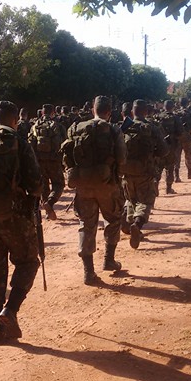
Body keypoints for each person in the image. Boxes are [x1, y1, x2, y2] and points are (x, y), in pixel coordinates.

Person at [0, 101, 42, 345]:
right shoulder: (19, 144)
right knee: (27, 263)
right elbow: (35, 183)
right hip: (15, 219)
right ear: (15, 120)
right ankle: (10, 310)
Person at [62, 95, 127, 285]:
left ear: (93, 110)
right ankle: (108, 260)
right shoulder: (114, 130)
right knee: (113, 219)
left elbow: (67, 157)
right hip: (107, 185)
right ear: (109, 112)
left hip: (83, 185)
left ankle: (88, 272)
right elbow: (122, 159)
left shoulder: (75, 128)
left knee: (86, 224)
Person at [122, 100, 170, 249]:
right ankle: (137, 224)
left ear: (132, 112)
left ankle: (130, 223)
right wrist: (153, 154)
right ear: (146, 112)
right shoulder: (151, 128)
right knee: (146, 201)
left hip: (126, 171)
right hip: (145, 170)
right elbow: (164, 150)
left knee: (131, 198)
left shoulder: (123, 127)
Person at [28, 104, 67, 220]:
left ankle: (47, 211)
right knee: (59, 184)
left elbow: (30, 145)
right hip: (54, 161)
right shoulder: (58, 127)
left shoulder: (34, 127)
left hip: (39, 162)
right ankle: (50, 202)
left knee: (44, 186)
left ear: (42, 113)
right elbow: (64, 144)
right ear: (53, 113)